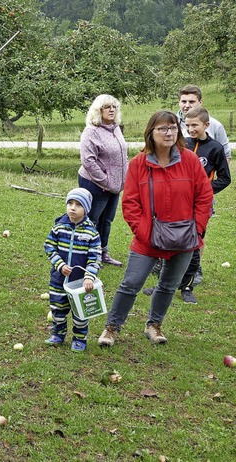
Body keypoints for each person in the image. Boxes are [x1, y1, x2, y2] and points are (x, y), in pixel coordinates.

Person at [98, 110, 213, 347]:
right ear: (151, 132)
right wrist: (144, 232)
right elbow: (130, 203)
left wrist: (197, 229)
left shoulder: (189, 161)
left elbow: (204, 197)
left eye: (173, 128)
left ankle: (154, 324)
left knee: (168, 285)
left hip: (184, 238)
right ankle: (112, 328)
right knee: (131, 283)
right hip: (147, 238)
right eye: (163, 128)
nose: (169, 133)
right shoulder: (139, 164)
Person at [176, 107, 231, 304]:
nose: (190, 129)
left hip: (200, 206)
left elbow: (225, 179)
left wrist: (204, 190)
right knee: (172, 241)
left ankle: (187, 286)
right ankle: (169, 283)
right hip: (178, 203)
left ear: (206, 125)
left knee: (193, 244)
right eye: (187, 125)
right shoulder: (182, 144)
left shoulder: (215, 148)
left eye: (195, 125)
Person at [44, 188, 101, 352]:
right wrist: (60, 265)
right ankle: (58, 334)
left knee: (81, 313)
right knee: (57, 310)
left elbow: (95, 257)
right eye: (70, 203)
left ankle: (79, 338)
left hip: (80, 283)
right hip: (58, 280)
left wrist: (89, 277)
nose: (72, 208)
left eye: (78, 205)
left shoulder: (91, 232)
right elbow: (49, 246)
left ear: (86, 209)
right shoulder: (59, 227)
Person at [78, 94, 128, 267]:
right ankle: (86, 254)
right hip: (95, 183)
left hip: (114, 186)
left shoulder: (115, 128)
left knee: (107, 220)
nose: (112, 110)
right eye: (107, 107)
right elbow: (88, 161)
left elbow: (123, 155)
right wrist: (105, 181)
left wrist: (122, 179)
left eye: (114, 106)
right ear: (98, 111)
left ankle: (102, 252)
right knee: (92, 219)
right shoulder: (91, 131)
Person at [177, 84, 231, 163]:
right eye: (184, 101)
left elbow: (226, 156)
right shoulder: (172, 124)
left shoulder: (215, 126)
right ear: (179, 102)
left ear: (200, 102)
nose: (187, 105)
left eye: (191, 102)